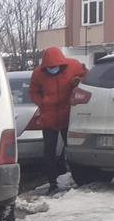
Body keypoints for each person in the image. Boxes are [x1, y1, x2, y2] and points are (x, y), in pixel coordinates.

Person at [29, 47, 87, 194]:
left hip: (68, 116)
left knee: (72, 150)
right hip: (48, 118)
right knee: (49, 151)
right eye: (49, 68)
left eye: (54, 67)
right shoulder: (38, 73)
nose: (52, 69)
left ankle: (78, 179)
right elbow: (33, 90)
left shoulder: (73, 66)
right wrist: (41, 102)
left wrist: (78, 81)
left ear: (62, 64)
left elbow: (86, 78)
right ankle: (52, 182)